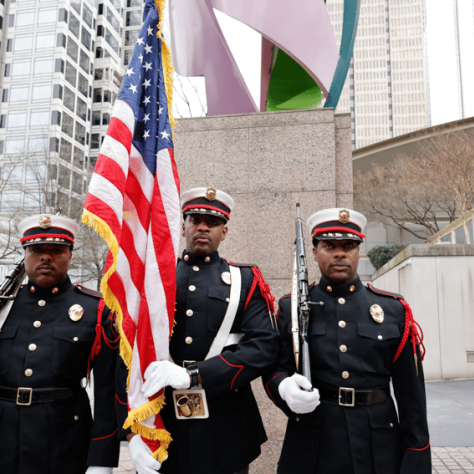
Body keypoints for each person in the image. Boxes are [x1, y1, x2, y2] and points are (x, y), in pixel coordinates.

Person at [263, 208, 431, 474]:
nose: (340, 253)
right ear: (315, 252)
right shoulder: (290, 308)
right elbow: (274, 368)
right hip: (312, 441)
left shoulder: (393, 310)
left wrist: (416, 459)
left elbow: (412, 397)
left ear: (358, 252)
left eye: (349, 246)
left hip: (377, 446)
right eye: (329, 245)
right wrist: (284, 388)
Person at [128, 187, 279, 474]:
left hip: (225, 421)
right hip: (163, 421)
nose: (203, 227)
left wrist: (194, 375)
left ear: (225, 231)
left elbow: (264, 348)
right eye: (195, 219)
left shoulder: (244, 280)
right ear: (182, 225)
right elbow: (128, 353)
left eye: (213, 222)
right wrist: (132, 434)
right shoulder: (156, 280)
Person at [0, 214, 122, 474]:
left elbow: (107, 391)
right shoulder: (4, 305)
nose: (46, 257)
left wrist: (101, 460)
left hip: (64, 442)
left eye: (56, 250)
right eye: (37, 250)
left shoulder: (97, 309)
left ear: (70, 254)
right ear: (25, 254)